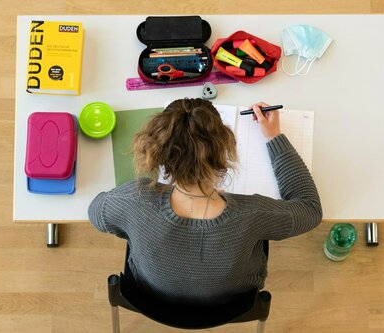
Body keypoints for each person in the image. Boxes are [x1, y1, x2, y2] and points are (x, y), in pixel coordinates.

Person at [89, 98, 322, 304]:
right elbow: (310, 209)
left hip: (150, 295)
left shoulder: (134, 200)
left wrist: (136, 227)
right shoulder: (252, 215)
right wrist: (274, 136)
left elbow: (96, 212)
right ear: (223, 153)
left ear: (156, 153)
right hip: (233, 301)